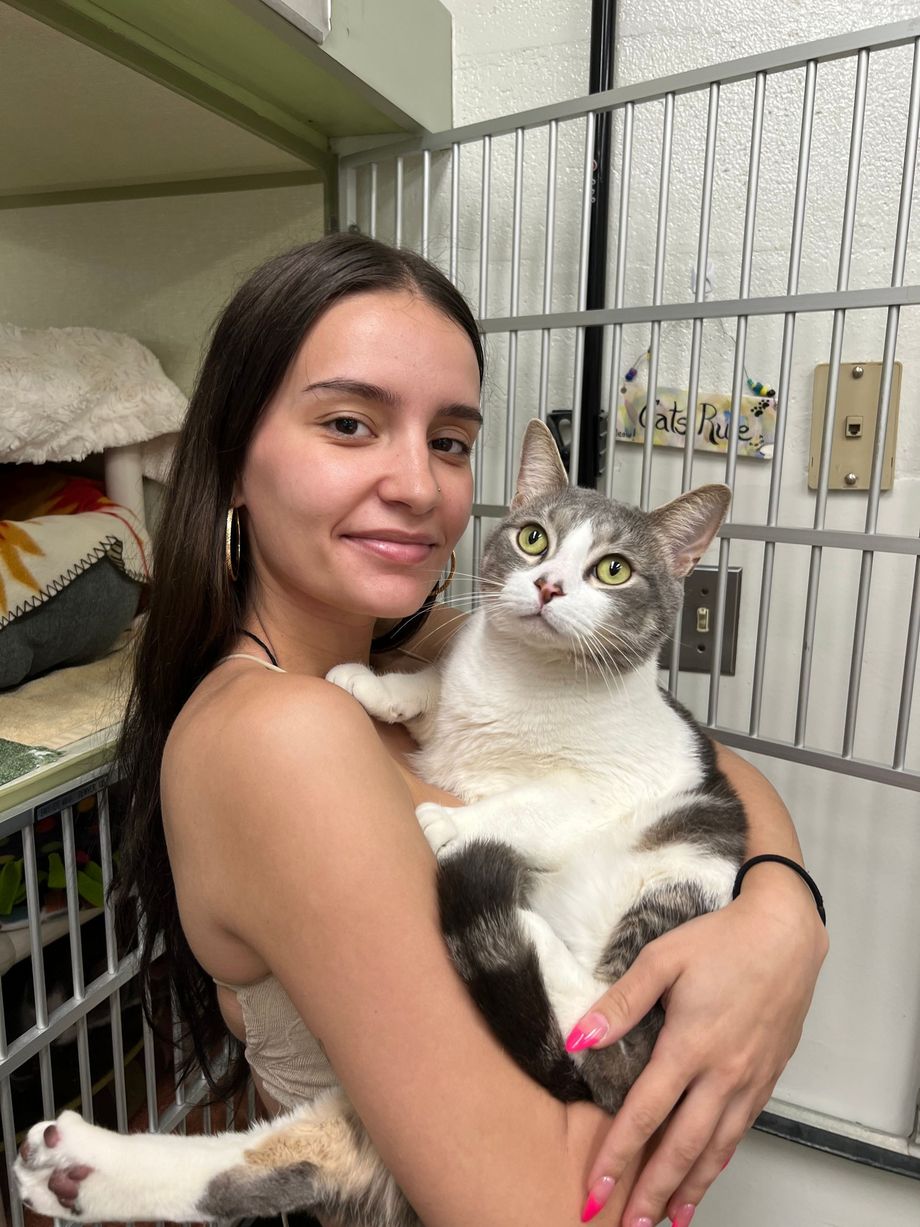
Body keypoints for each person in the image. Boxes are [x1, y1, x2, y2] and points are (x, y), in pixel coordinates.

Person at [114, 233, 828, 1227]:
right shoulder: (284, 736)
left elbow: (684, 761)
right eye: (351, 424)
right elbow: (544, 1204)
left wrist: (782, 919)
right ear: (233, 459)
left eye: (449, 441)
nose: (417, 485)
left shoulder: (441, 644)